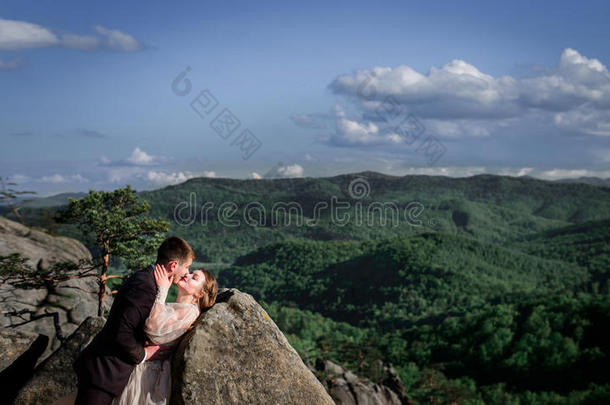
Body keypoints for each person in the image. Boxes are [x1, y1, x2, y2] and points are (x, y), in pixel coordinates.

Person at [71, 236, 197, 405]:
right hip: (104, 371)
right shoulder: (145, 286)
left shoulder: (149, 280)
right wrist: (145, 354)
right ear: (174, 265)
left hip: (108, 372)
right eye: (187, 267)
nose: (187, 273)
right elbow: (121, 333)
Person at [112, 264, 218, 404]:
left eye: (195, 277)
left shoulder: (190, 311)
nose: (188, 274)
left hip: (148, 377)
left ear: (199, 294)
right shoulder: (178, 307)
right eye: (191, 272)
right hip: (143, 368)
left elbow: (152, 328)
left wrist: (162, 289)